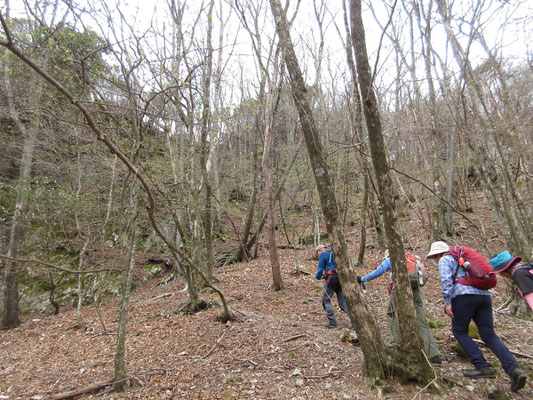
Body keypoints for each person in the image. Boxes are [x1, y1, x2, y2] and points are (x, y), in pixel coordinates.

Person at [426, 241, 527, 392]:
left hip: (464, 296)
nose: (435, 260)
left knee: (459, 331)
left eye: (434, 257)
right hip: (484, 296)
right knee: (489, 334)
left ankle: (482, 366)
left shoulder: (445, 259)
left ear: (437, 254)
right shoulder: (463, 257)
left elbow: (446, 280)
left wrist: (447, 302)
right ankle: (514, 370)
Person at [356, 250, 443, 364]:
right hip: (415, 288)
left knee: (390, 313)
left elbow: (377, 272)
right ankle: (434, 354)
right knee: (421, 320)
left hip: (400, 288)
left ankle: (395, 340)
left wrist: (362, 279)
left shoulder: (391, 259)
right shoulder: (413, 258)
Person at [315, 244, 349, 329]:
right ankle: (354, 320)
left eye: (317, 253)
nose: (318, 255)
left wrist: (317, 277)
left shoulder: (323, 254)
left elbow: (320, 269)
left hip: (332, 279)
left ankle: (332, 323)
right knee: (342, 302)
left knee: (326, 300)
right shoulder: (335, 253)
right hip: (341, 278)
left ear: (320, 250)